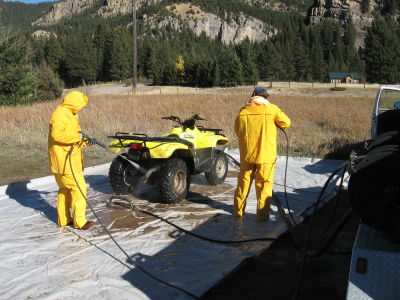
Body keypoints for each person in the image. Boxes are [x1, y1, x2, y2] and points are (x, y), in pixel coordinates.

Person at [233, 86, 291, 222]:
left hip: (247, 156)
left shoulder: (243, 111)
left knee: (243, 183)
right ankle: (262, 217)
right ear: (265, 97)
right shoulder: (272, 109)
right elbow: (286, 123)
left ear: (253, 95)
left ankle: (238, 212)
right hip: (266, 156)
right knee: (264, 186)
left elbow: (238, 131)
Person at [48, 91, 95, 229]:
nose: (81, 108)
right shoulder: (61, 114)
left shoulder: (70, 114)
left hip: (67, 160)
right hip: (63, 161)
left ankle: (64, 220)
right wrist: (78, 137)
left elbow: (75, 135)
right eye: (81, 105)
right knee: (78, 188)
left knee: (65, 190)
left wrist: (86, 140)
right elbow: (58, 136)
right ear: (74, 102)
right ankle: (80, 221)